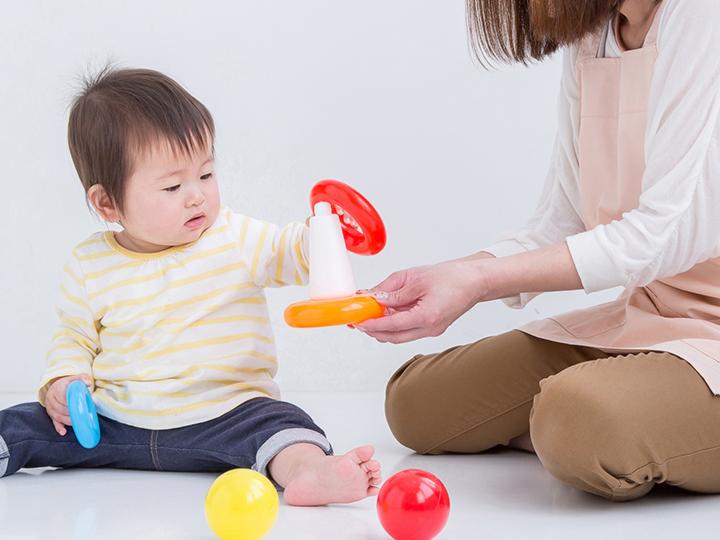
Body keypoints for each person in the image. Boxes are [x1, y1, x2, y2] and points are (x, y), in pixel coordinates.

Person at [358, 0, 720, 502]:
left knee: (576, 420)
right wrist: (454, 276)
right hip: (656, 318)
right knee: (418, 405)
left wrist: (481, 283)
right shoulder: (595, 34)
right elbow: (559, 222)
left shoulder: (704, 15)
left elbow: (661, 234)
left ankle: (608, 434)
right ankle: (623, 434)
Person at [0, 67, 381, 506]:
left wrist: (324, 234)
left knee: (285, 427)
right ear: (107, 203)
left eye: (205, 175)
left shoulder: (232, 236)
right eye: (173, 185)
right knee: (26, 423)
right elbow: (74, 336)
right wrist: (64, 381)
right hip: (116, 422)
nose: (197, 196)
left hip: (228, 414)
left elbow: (286, 250)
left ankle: (310, 473)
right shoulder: (91, 263)